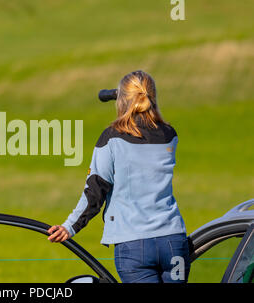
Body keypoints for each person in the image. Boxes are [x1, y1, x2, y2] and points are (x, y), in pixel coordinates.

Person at [47, 70, 190, 283]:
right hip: (173, 241)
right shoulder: (170, 136)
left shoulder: (112, 138)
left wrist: (70, 226)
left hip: (134, 246)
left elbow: (96, 190)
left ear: (121, 100)